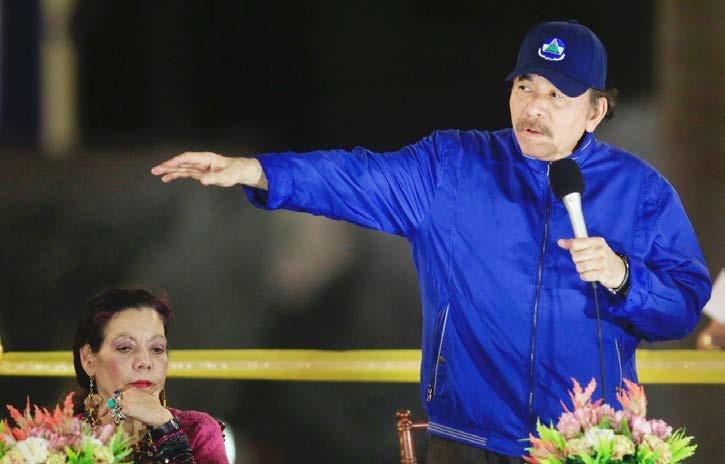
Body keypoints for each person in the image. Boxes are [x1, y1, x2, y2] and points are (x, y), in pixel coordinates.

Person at [151, 20, 711, 462]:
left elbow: (684, 305)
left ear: (595, 111)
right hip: (467, 441)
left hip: (586, 443)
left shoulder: (641, 192)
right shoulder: (452, 167)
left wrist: (624, 278)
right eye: (525, 87)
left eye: (557, 95)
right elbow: (353, 178)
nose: (534, 107)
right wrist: (252, 171)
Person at [72, 287, 229, 463]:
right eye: (125, 348)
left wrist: (166, 427)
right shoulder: (61, 438)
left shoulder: (197, 431)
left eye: (157, 349)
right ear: (88, 359)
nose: (145, 362)